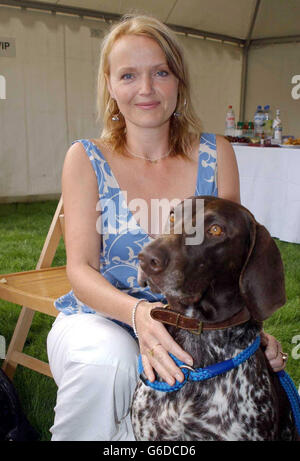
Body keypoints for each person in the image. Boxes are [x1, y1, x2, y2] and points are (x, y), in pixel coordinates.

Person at [47, 14, 287, 441]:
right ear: (110, 85)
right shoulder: (85, 158)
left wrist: (250, 328)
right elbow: (80, 271)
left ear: (179, 80)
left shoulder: (216, 153)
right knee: (110, 362)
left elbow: (230, 256)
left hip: (196, 324)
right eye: (128, 75)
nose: (146, 89)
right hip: (101, 316)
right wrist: (139, 315)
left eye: (160, 72)